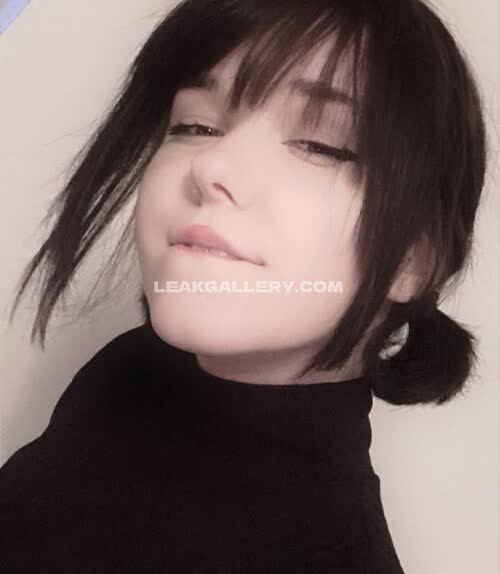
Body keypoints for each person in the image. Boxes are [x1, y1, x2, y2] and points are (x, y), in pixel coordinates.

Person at [0, 0, 488, 572]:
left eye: (320, 145)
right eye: (195, 126)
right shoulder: (132, 368)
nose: (212, 166)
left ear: (413, 259)